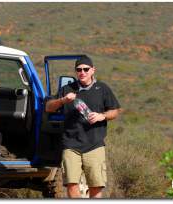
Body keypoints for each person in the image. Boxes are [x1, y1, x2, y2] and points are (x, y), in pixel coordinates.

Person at [45, 55, 121, 198]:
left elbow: (115, 111)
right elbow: (48, 108)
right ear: (76, 72)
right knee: (72, 185)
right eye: (79, 70)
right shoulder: (67, 89)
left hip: (94, 145)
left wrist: (101, 116)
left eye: (86, 69)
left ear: (93, 70)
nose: (82, 72)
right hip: (70, 145)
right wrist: (63, 100)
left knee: (96, 186)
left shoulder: (102, 89)